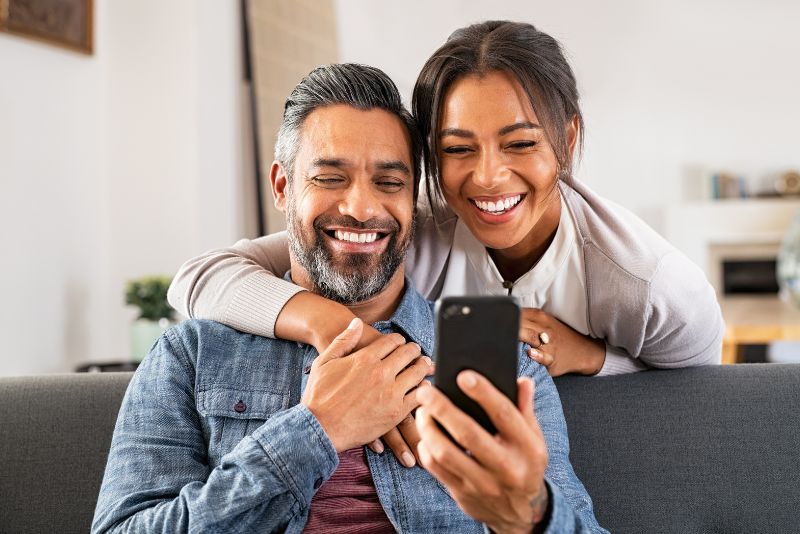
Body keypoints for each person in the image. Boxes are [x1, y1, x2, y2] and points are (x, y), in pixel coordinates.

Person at [168, 20, 723, 465]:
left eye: (520, 143)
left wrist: (592, 358)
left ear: (567, 138)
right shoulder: (415, 235)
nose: (488, 178)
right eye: (458, 149)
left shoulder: (646, 283)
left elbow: (700, 390)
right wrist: (339, 328)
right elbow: (201, 277)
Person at [92, 63, 605, 533]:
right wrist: (315, 430)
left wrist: (531, 513)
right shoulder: (192, 355)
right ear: (283, 186)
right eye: (330, 178)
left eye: (389, 181)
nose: (361, 208)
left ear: (413, 198)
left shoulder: (509, 366)